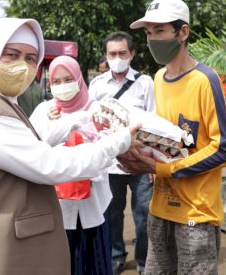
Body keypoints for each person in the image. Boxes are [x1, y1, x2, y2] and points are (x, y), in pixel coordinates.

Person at [0, 18, 140, 275]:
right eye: (12, 55)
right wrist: (118, 141)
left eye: (31, 58)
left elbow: (33, 142)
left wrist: (76, 121)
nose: (22, 65)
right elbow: (49, 164)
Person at [118, 0, 226, 274]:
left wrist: (164, 168)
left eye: (160, 31)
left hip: (196, 214)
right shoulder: (159, 79)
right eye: (148, 33)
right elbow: (168, 137)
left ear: (183, 32)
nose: (152, 39)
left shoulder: (205, 81)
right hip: (160, 208)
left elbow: (224, 150)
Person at [30, 55, 113, 275]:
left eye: (68, 79)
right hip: (57, 209)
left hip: (93, 205)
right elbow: (32, 150)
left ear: (79, 79)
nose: (62, 85)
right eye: (56, 81)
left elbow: (110, 152)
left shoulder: (99, 110)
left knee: (94, 263)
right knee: (62, 264)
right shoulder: (43, 111)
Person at [88, 31, 156, 275]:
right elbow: (89, 123)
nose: (117, 58)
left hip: (141, 163)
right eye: (112, 54)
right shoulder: (96, 86)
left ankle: (144, 261)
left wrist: (153, 164)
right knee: (112, 215)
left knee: (145, 216)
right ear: (106, 55)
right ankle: (116, 256)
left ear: (132, 54)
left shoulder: (145, 83)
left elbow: (154, 121)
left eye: (122, 53)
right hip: (109, 164)